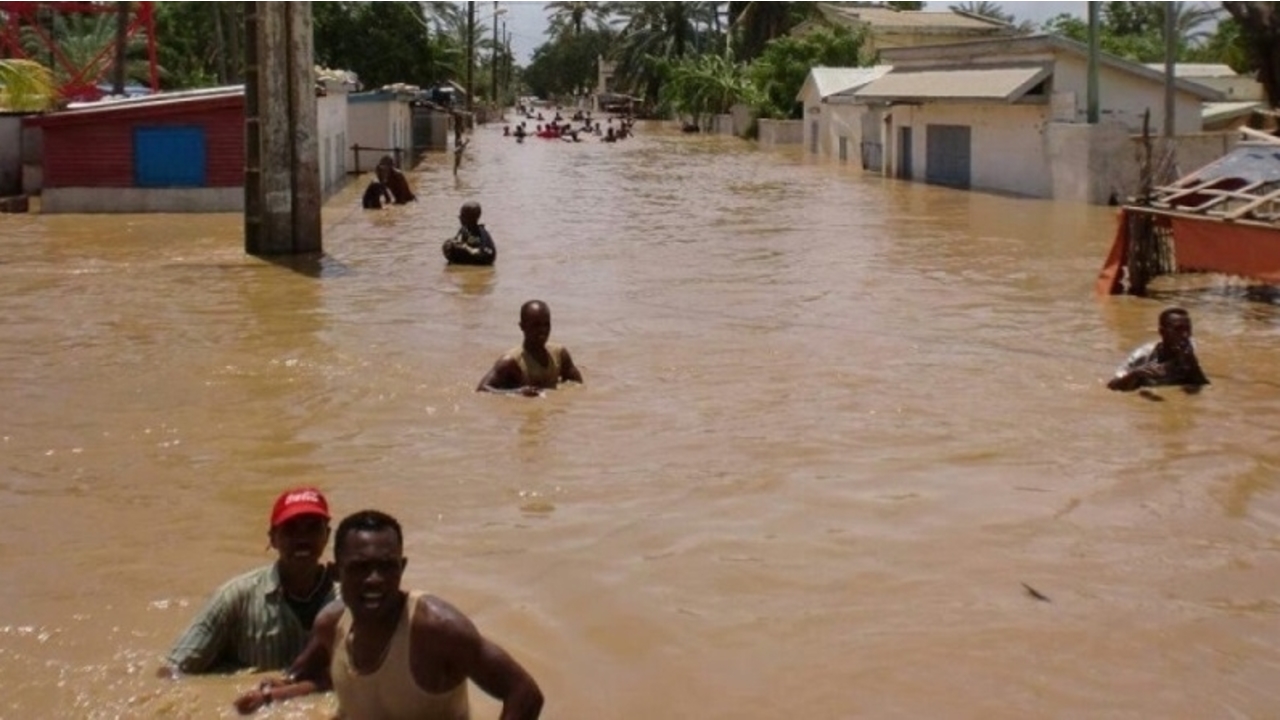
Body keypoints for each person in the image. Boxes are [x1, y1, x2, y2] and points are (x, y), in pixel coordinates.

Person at [232, 510, 544, 719]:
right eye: (360, 568)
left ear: (402, 568)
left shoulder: (436, 628)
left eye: (387, 566)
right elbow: (323, 679)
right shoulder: (330, 625)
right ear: (336, 572)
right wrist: (271, 695)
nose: (375, 579)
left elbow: (524, 694)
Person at [158, 488, 336, 677]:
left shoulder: (349, 601)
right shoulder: (235, 598)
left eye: (313, 527)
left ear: (327, 535)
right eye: (291, 528)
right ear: (273, 538)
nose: (303, 538)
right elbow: (171, 671)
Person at [477, 300, 583, 396]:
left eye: (546, 324)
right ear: (522, 326)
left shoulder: (560, 355)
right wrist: (517, 393)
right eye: (536, 325)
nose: (543, 330)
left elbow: (578, 386)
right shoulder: (511, 362)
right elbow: (482, 390)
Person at [1107, 307, 1210, 392]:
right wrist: (1136, 374)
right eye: (1178, 329)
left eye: (1188, 329)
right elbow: (1112, 386)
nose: (1185, 335)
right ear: (1162, 332)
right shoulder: (1143, 355)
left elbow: (1203, 386)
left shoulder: (1190, 352)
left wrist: (1191, 362)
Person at [442, 201, 497, 266]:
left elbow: (489, 254)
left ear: (471, 218)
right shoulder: (463, 230)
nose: (459, 217)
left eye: (463, 215)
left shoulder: (482, 233)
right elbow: (457, 241)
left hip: (480, 261)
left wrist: (467, 248)